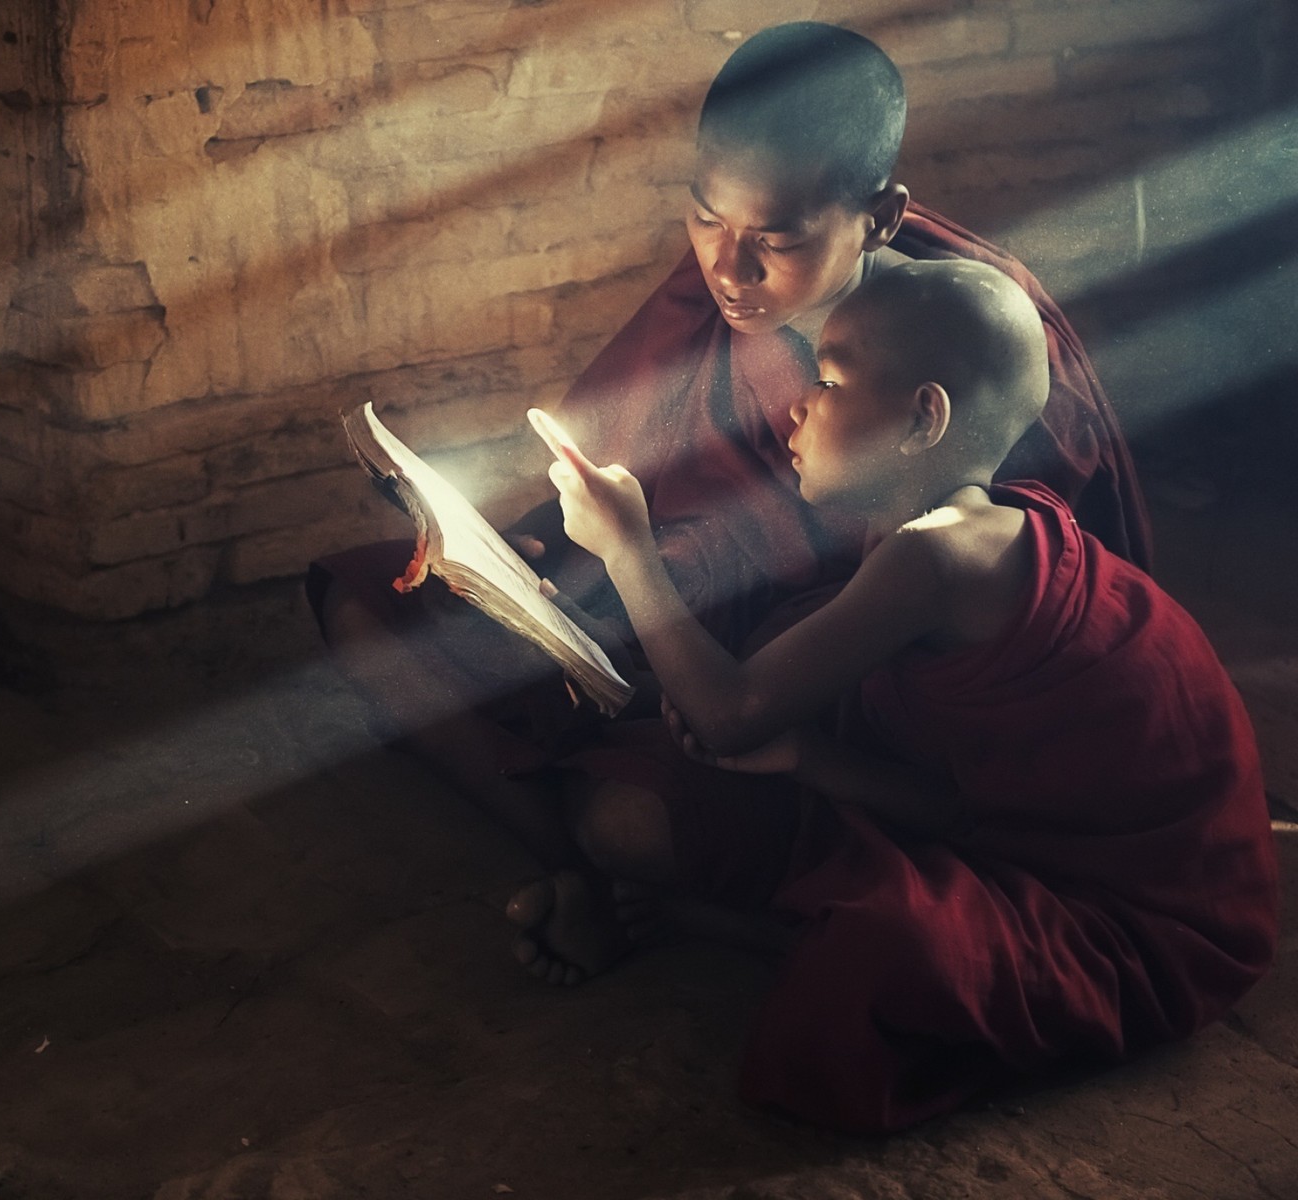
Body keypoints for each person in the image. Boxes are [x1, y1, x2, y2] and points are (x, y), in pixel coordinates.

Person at [308, 23, 1150, 975]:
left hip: (822, 706)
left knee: (632, 818)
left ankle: (598, 869)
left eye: (775, 241)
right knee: (367, 609)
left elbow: (1003, 658)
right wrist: (546, 559)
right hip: (668, 632)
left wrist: (664, 597)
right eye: (706, 219)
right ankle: (580, 873)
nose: (728, 270)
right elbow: (629, 454)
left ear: (880, 216)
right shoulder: (726, 292)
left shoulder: (972, 349)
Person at [539, 257, 1277, 1133]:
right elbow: (957, 804)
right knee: (629, 809)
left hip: (1140, 918)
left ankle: (704, 925)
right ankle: (715, 915)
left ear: (926, 416)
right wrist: (807, 755)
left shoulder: (944, 554)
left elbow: (728, 712)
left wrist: (629, 550)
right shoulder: (941, 532)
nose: (797, 406)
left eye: (827, 380)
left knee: (895, 949)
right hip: (992, 835)